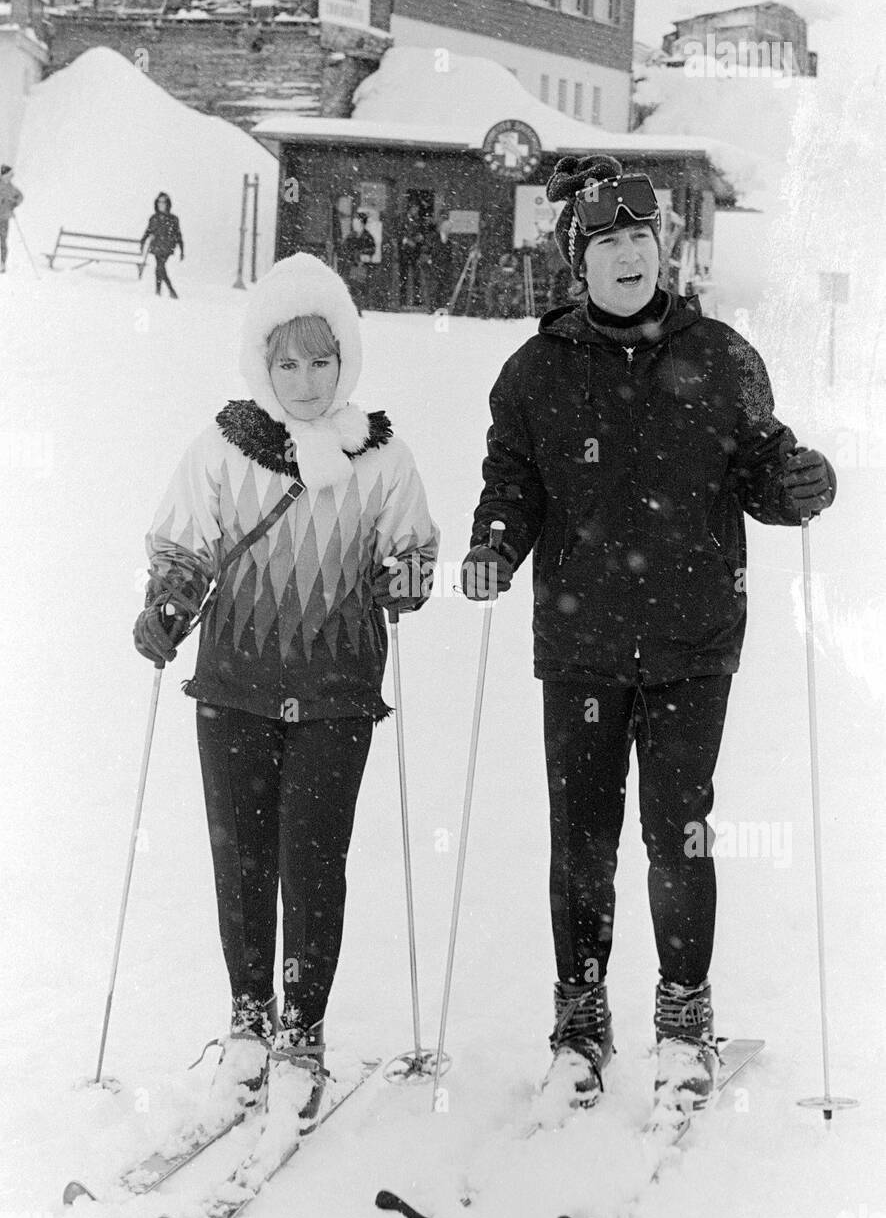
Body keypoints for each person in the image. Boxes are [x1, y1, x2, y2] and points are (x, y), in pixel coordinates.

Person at [461, 154, 836, 1128]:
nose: (628, 256)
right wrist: (494, 545)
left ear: (661, 247)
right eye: (606, 244)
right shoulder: (534, 375)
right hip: (581, 645)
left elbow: (760, 467)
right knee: (579, 842)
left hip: (690, 641)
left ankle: (682, 1021)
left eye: (640, 238)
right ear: (576, 262)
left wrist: (795, 483)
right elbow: (513, 483)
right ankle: (580, 1026)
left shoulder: (717, 358)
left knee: (677, 835)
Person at [134, 252, 439, 1119]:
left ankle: (302, 1028)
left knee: (313, 862)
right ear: (260, 367)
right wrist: (166, 602)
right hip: (234, 688)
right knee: (242, 861)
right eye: (287, 362)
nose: (306, 380)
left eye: (322, 359)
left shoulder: (381, 457)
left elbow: (415, 549)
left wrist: (409, 580)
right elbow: (181, 547)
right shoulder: (223, 451)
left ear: (347, 359)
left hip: (338, 695)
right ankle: (247, 1018)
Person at [140, 191, 184, 298]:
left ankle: (167, 290)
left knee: (160, 267)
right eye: (159, 202)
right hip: (156, 246)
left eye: (163, 202)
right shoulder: (154, 218)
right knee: (159, 268)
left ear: (167, 204)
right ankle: (161, 290)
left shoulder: (173, 219)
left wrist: (182, 250)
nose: (161, 204)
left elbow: (178, 234)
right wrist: (143, 241)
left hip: (167, 247)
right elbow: (148, 231)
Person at [338, 211, 375, 316]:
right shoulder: (351, 235)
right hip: (349, 264)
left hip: (360, 266)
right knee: (348, 287)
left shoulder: (367, 236)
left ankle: (357, 309)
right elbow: (344, 248)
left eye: (357, 220)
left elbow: (372, 250)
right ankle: (349, 309)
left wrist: (362, 254)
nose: (355, 222)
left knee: (358, 287)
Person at [397, 203, 426, 308]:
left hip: (415, 253)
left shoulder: (418, 221)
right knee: (403, 276)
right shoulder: (403, 219)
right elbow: (399, 234)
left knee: (416, 277)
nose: (416, 211)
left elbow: (421, 234)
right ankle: (403, 299)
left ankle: (417, 299)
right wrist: (407, 240)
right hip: (405, 252)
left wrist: (419, 238)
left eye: (417, 209)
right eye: (415, 208)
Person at [426, 216, 455, 311]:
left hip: (445, 267)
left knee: (443, 288)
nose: (448, 230)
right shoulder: (434, 238)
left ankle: (441, 307)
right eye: (447, 228)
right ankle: (432, 307)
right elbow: (430, 250)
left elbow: (449, 255)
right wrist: (431, 260)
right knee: (434, 288)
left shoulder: (449, 241)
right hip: (435, 266)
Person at [483, 252, 523, 319]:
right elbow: (490, 289)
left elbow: (519, 290)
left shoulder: (516, 276)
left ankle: (511, 314)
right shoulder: (496, 274)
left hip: (511, 296)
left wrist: (515, 299)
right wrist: (491, 302)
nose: (507, 273)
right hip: (498, 296)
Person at [0, 164, 24, 275]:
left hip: (4, 218)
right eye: (9, 175)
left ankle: (2, 263)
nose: (10, 177)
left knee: (3, 241)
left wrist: (13, 203)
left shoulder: (12, 188)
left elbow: (20, 197)